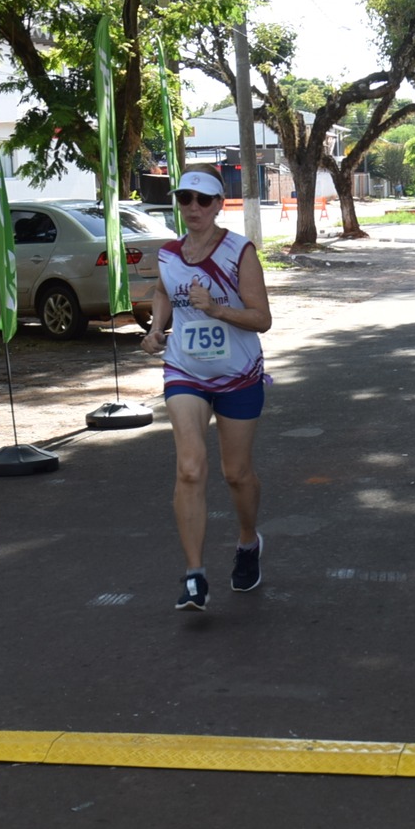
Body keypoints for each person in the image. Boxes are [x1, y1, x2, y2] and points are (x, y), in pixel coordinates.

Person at [140, 170, 273, 611]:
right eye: (185, 199)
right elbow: (162, 291)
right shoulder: (169, 253)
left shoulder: (240, 251)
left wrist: (215, 308)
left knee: (236, 473)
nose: (193, 208)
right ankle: (195, 574)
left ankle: (248, 541)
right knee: (190, 467)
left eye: (203, 200)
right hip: (184, 371)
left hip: (239, 373)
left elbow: (262, 319)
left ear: (219, 205)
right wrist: (157, 330)